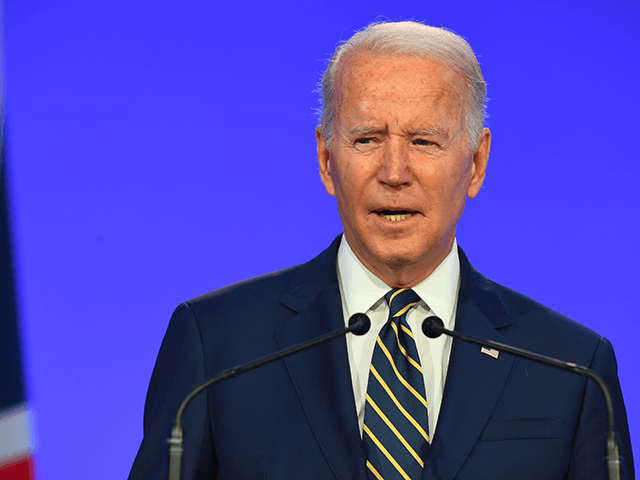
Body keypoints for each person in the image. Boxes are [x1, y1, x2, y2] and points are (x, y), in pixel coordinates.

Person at [129, 21, 634, 479]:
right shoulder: (218, 345)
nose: (394, 172)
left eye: (424, 142)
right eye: (367, 139)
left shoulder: (571, 367)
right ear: (327, 160)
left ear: (475, 164)